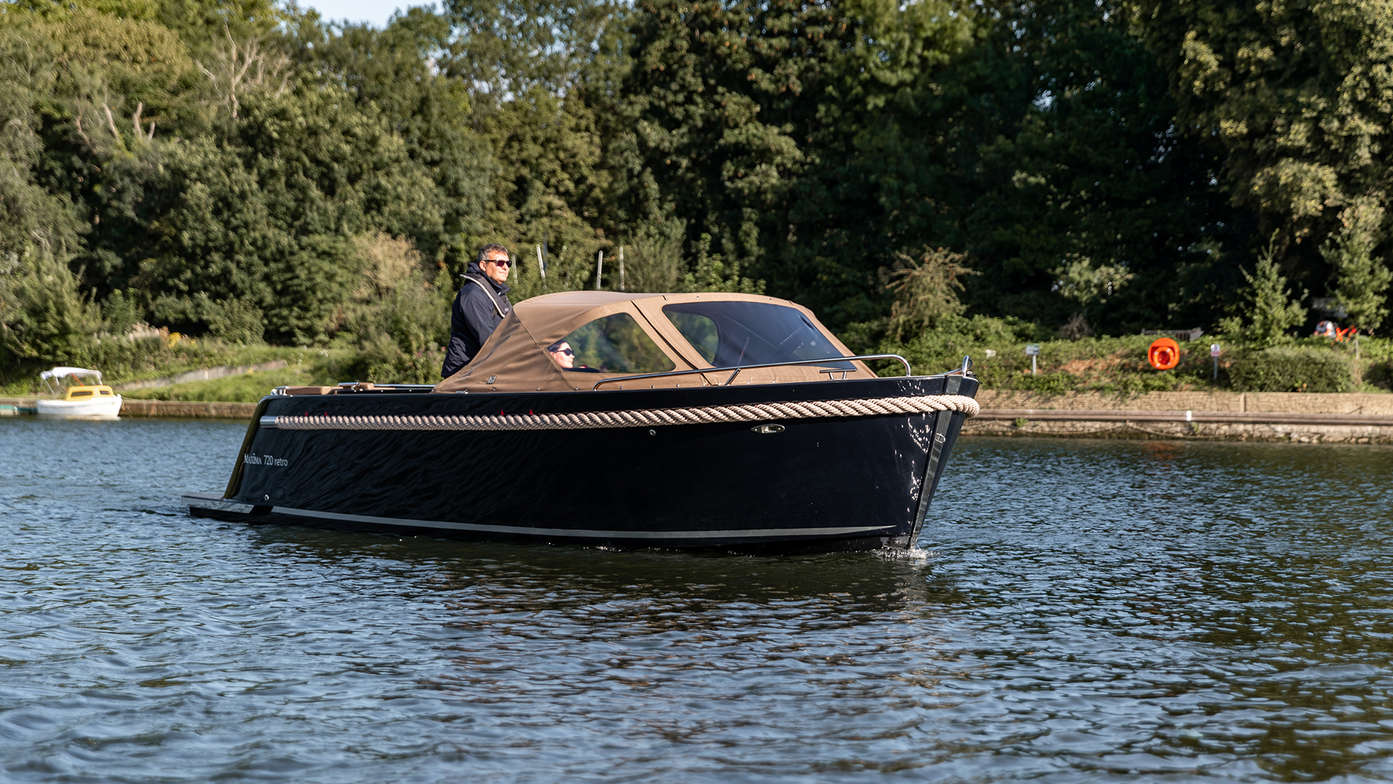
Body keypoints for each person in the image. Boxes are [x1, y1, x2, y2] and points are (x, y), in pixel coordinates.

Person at [441, 243, 514, 377]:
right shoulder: (473, 294)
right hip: (462, 374)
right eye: (500, 263)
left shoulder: (495, 293)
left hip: (480, 371)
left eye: (508, 263)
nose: (505, 267)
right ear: (483, 265)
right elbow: (487, 338)